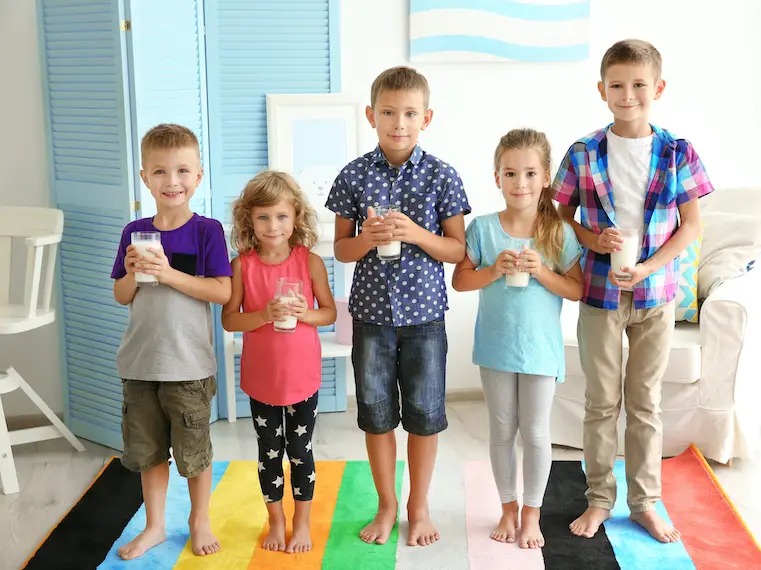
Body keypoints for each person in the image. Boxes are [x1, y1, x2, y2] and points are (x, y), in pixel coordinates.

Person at [553, 39, 714, 543]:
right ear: (602, 90)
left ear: (658, 88)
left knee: (645, 404)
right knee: (601, 403)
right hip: (599, 295)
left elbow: (691, 228)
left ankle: (645, 502)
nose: (628, 95)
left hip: (656, 295)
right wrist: (592, 240)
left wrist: (647, 268)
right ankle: (600, 499)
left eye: (639, 85)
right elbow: (558, 215)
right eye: (617, 85)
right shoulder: (582, 152)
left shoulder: (677, 152)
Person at [325, 65, 471, 547]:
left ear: (426, 117)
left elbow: (457, 251)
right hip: (369, 318)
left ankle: (418, 505)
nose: (398, 123)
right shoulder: (353, 175)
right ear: (371, 115)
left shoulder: (442, 176)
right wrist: (366, 238)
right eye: (388, 112)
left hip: (425, 318)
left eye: (409, 113)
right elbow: (341, 250)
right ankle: (387, 506)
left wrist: (415, 233)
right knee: (377, 412)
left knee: (425, 414)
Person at [453, 128, 583, 548]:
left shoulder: (558, 232)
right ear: (496, 177)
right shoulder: (484, 228)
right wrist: (492, 270)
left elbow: (577, 289)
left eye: (529, 173)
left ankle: (532, 513)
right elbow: (460, 281)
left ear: (546, 177)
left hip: (541, 349)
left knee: (537, 432)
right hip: (495, 347)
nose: (520, 183)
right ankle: (507, 508)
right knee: (501, 430)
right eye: (510, 174)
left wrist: (543, 271)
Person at [111, 123, 232, 559]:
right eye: (160, 172)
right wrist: (130, 272)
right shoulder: (134, 231)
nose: (172, 181)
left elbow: (222, 292)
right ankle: (156, 525)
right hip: (139, 364)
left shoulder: (207, 231)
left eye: (182, 171)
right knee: (148, 453)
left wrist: (168, 274)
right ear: (145, 177)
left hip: (188, 366)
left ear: (198, 176)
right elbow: (122, 295)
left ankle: (199, 520)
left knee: (194, 453)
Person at [222, 170, 336, 554]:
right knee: (268, 451)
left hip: (303, 377)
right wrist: (263, 316)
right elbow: (229, 319)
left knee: (300, 451)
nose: (273, 225)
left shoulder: (311, 262)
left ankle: (301, 523)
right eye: (264, 217)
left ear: (296, 218)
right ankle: (276, 521)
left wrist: (305, 314)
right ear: (249, 220)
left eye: (281, 216)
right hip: (261, 379)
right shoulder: (242, 266)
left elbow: (330, 313)